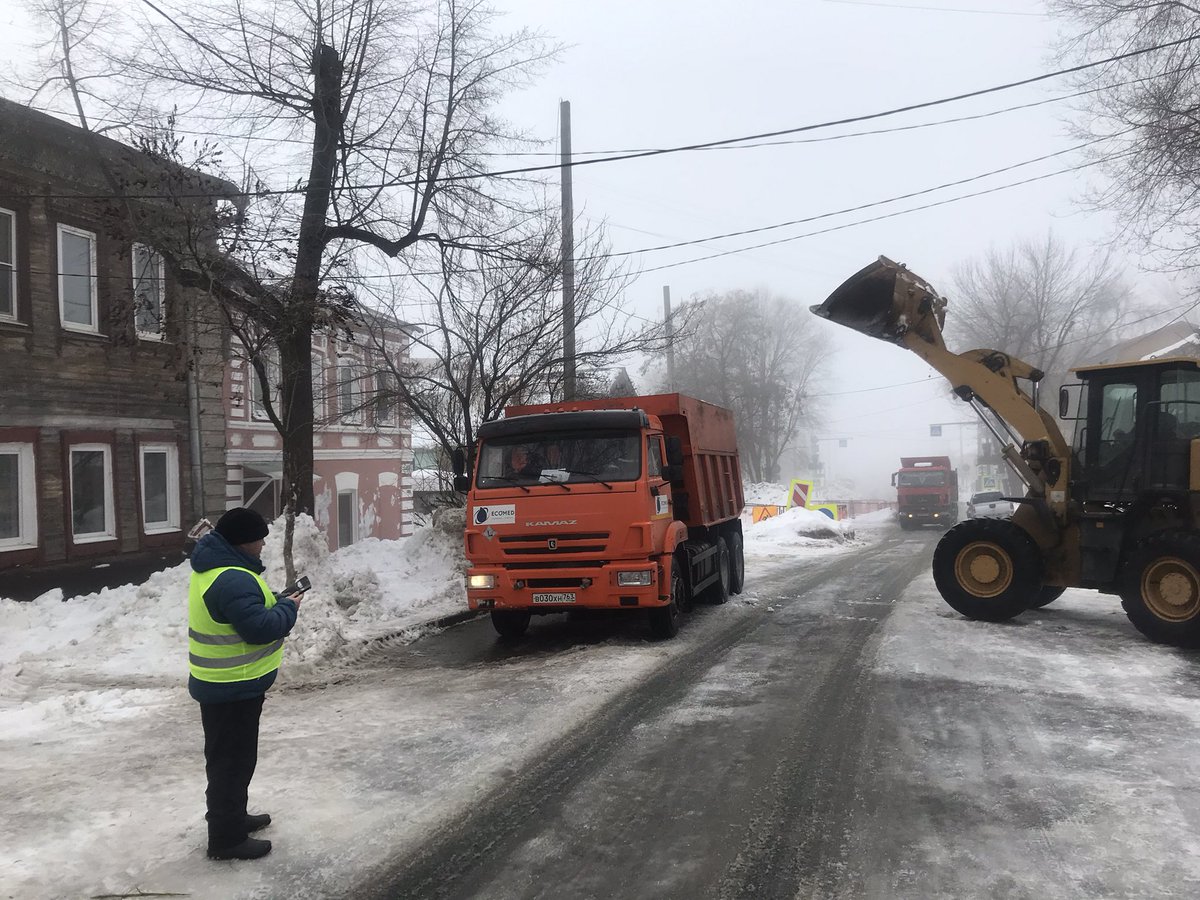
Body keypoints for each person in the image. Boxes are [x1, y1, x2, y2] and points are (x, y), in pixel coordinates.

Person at [188, 507, 301, 861]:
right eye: (259, 539)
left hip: (228, 685)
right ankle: (226, 839)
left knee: (231, 760)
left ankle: (233, 817)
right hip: (231, 687)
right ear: (243, 541)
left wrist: (275, 603)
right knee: (230, 764)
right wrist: (289, 608)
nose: (263, 545)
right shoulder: (232, 578)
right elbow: (260, 628)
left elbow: (246, 613)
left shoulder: (219, 569)